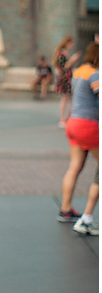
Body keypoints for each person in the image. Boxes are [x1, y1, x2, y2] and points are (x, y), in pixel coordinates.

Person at [58, 42, 99, 234]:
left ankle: (65, 209)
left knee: (75, 166)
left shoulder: (79, 71)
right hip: (89, 125)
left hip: (73, 123)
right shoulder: (94, 74)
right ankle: (87, 217)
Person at [55, 36, 81, 127]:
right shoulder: (60, 54)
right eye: (70, 43)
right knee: (66, 97)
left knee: (71, 98)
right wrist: (73, 59)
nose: (71, 45)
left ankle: (68, 117)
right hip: (64, 78)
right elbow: (64, 67)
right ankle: (63, 118)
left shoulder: (65, 53)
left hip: (68, 77)